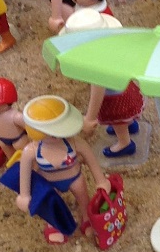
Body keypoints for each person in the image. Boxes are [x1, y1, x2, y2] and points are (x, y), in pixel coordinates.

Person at [60, 0, 145, 160]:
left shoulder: (97, 60)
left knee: (117, 116)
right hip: (121, 78)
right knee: (123, 114)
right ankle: (129, 123)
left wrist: (90, 117)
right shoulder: (96, 16)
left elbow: (97, 88)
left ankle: (124, 143)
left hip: (114, 91)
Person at [11, 95, 110, 244]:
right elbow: (24, 172)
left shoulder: (75, 143)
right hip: (48, 182)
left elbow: (91, 159)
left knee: (83, 198)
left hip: (74, 178)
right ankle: (55, 224)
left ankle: (87, 217)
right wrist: (24, 195)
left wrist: (100, 180)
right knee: (51, 203)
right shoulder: (32, 150)